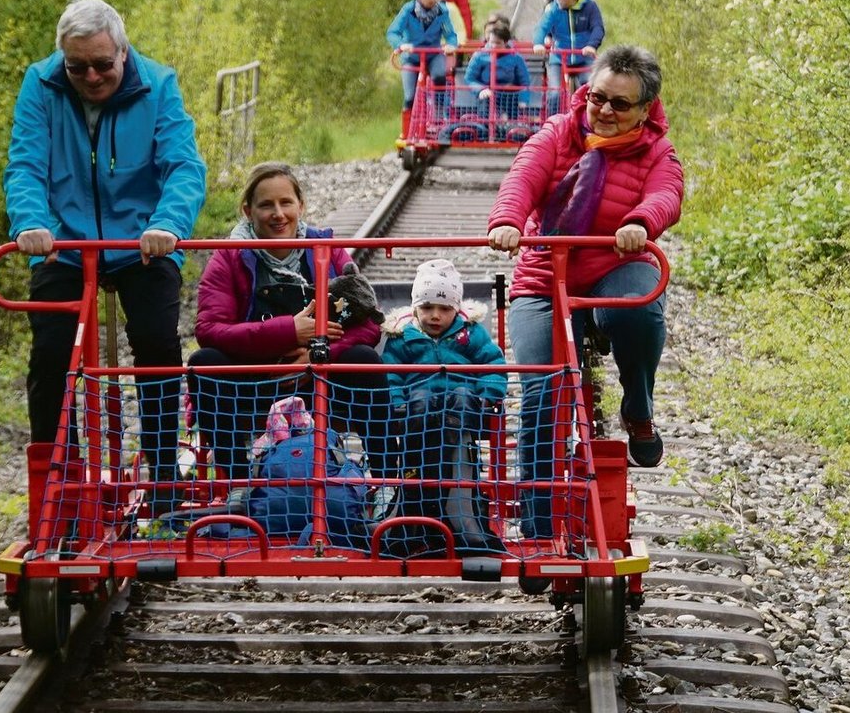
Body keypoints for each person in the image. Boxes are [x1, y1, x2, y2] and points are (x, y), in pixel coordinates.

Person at [2, 0, 207, 486]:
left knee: (157, 344)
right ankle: (59, 484)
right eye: (77, 67)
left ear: (122, 50)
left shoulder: (158, 85)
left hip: (143, 241)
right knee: (51, 356)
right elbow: (26, 164)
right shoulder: (41, 84)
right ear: (62, 61)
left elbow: (183, 165)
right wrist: (31, 222)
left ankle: (164, 477)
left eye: (101, 64)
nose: (91, 77)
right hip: (64, 244)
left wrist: (168, 224)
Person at [486, 45, 683, 544]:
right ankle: (536, 530)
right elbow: (523, 178)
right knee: (541, 390)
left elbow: (666, 193)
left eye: (620, 104)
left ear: (645, 110)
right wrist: (509, 221)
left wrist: (641, 221)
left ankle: (638, 410)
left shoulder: (656, 150)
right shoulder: (559, 132)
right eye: (598, 98)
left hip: (616, 264)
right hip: (545, 276)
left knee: (637, 314)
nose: (605, 111)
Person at [189, 162, 393, 480]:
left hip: (319, 377)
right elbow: (209, 329)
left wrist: (317, 355)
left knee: (365, 361)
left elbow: (368, 322)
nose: (278, 214)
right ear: (248, 210)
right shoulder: (229, 256)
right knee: (205, 363)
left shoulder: (328, 250)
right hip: (258, 378)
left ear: (301, 205)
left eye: (286, 203)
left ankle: (386, 478)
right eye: (266, 205)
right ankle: (237, 480)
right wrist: (288, 331)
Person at [380, 259, 508, 555]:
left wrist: (488, 395)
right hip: (417, 414)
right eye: (427, 308)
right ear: (415, 308)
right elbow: (391, 374)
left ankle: (456, 507)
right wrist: (396, 404)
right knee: (420, 398)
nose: (435, 315)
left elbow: (493, 364)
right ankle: (417, 508)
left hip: (463, 411)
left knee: (463, 392)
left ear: (456, 309)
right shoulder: (403, 337)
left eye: (444, 309)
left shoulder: (470, 333)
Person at [387, 0, 459, 139]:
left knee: (440, 76)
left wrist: (451, 45)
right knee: (410, 96)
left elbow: (450, 34)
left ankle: (440, 116)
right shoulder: (408, 10)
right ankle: (407, 132)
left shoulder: (441, 11)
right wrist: (401, 45)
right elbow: (393, 32)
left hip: (433, 54)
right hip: (412, 56)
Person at [532, 0, 605, 110]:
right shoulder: (554, 8)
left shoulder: (590, 6)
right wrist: (538, 43)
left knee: (589, 88)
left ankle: (586, 121)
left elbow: (597, 28)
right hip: (559, 56)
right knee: (555, 93)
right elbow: (542, 26)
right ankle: (553, 124)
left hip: (583, 55)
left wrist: (591, 45)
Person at [463, 21, 531, 121]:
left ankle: (510, 127)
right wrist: (481, 89)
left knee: (511, 100)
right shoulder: (479, 55)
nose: (494, 46)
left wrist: (523, 99)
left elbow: (525, 81)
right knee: (486, 99)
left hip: (508, 94)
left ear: (506, 42)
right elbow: (469, 78)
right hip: (487, 92)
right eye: (491, 42)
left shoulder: (516, 58)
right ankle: (485, 128)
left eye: (498, 43)